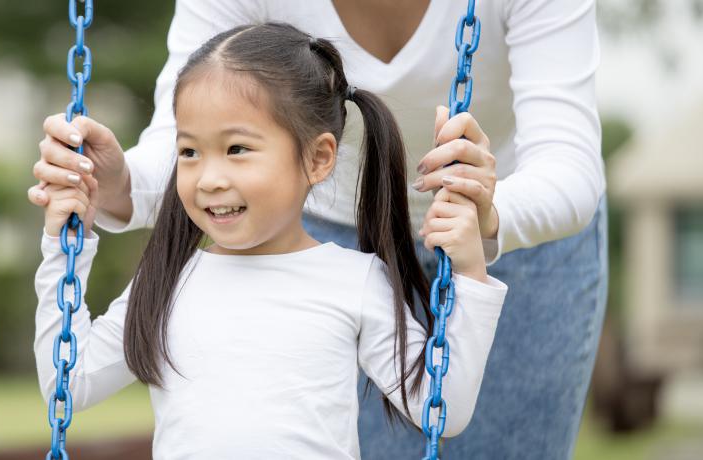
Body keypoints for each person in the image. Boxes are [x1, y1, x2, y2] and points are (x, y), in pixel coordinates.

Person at [30, 1, 607, 458]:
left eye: (236, 149)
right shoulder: (167, 284)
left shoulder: (353, 282)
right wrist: (70, 236)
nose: (208, 180)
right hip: (331, 214)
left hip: (491, 215)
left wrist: (474, 259)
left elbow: (440, 407)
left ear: (319, 157)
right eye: (191, 154)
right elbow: (70, 377)